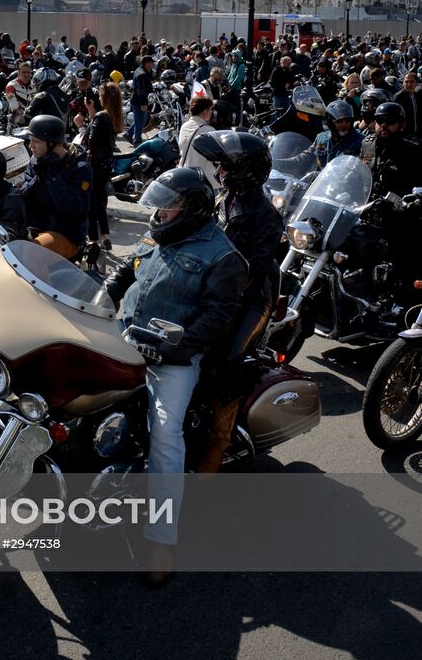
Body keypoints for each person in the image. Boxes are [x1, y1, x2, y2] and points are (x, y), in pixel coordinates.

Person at [103, 168, 246, 582]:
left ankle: (161, 539)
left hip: (172, 355)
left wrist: (175, 346)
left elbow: (218, 316)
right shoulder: (156, 233)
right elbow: (125, 272)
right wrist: (93, 297)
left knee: (165, 435)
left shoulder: (222, 256)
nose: (159, 212)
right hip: (123, 334)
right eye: (160, 203)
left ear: (193, 210)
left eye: (169, 205)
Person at [191, 131, 283, 472]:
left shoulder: (265, 215)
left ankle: (217, 443)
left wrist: (214, 291)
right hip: (217, 285)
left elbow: (253, 270)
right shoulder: (224, 198)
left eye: (226, 165)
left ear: (245, 171)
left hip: (252, 297)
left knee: (228, 360)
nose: (220, 171)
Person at [21, 114, 92, 258]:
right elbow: (24, 197)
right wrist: (38, 177)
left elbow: (71, 210)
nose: (31, 146)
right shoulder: (36, 160)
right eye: (30, 141)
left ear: (53, 143)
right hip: (34, 228)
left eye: (36, 141)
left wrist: (53, 175)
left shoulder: (80, 168)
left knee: (32, 254)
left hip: (66, 234)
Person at [81, 81, 123, 250]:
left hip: (94, 165)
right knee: (99, 201)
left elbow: (91, 141)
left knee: (91, 201)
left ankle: (93, 240)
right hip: (106, 164)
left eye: (100, 95)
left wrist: (81, 127)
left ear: (105, 97)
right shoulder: (114, 116)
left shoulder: (101, 116)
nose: (98, 97)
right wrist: (91, 112)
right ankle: (105, 236)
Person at [363, 101, 422, 199]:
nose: (384, 125)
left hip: (397, 208)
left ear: (402, 125)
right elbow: (358, 172)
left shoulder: (413, 151)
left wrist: (414, 201)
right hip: (366, 205)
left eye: (390, 121)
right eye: (380, 120)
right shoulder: (367, 144)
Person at [178, 97, 218, 188]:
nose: (212, 112)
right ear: (205, 111)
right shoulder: (209, 130)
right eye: (210, 109)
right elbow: (216, 157)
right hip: (204, 179)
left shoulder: (184, 126)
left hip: (184, 173)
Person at [312, 99, 364, 168]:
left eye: (347, 121)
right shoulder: (321, 138)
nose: (344, 125)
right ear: (331, 123)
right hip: (320, 177)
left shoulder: (361, 141)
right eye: (339, 121)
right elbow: (309, 154)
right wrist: (294, 160)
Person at [128, 55, 155, 145]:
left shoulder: (141, 70)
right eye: (151, 63)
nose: (152, 64)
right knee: (140, 121)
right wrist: (143, 104)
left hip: (138, 100)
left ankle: (128, 134)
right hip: (139, 101)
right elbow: (141, 91)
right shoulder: (142, 74)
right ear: (146, 63)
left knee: (142, 119)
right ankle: (137, 141)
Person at [4, 61, 35, 126]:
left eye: (28, 72)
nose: (26, 74)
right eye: (23, 72)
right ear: (18, 73)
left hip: (32, 119)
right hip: (16, 121)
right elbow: (13, 105)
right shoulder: (11, 86)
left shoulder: (34, 86)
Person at [395, 71, 422, 139]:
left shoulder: (418, 95)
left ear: (416, 83)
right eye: (406, 82)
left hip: (417, 134)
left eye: (412, 82)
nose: (409, 84)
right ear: (403, 83)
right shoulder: (398, 98)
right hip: (404, 136)